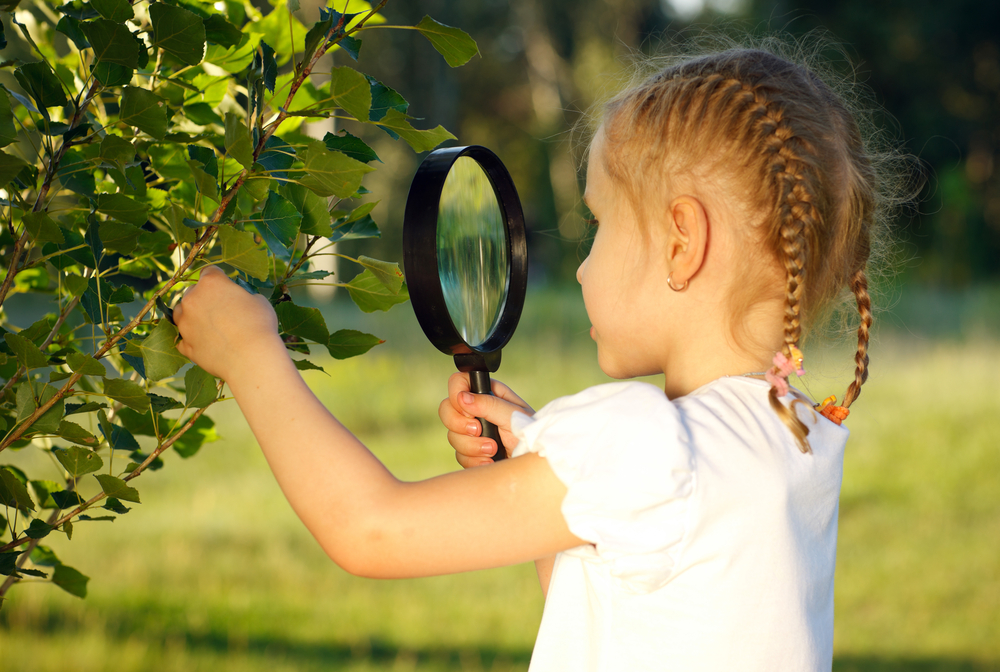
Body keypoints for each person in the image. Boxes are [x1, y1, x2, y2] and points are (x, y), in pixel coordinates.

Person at [174, 44, 900, 671]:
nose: (582, 268)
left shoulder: (645, 447)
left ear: (682, 241)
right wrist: (531, 463)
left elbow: (372, 529)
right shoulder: (795, 435)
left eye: (599, 223)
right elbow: (619, 610)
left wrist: (249, 351)